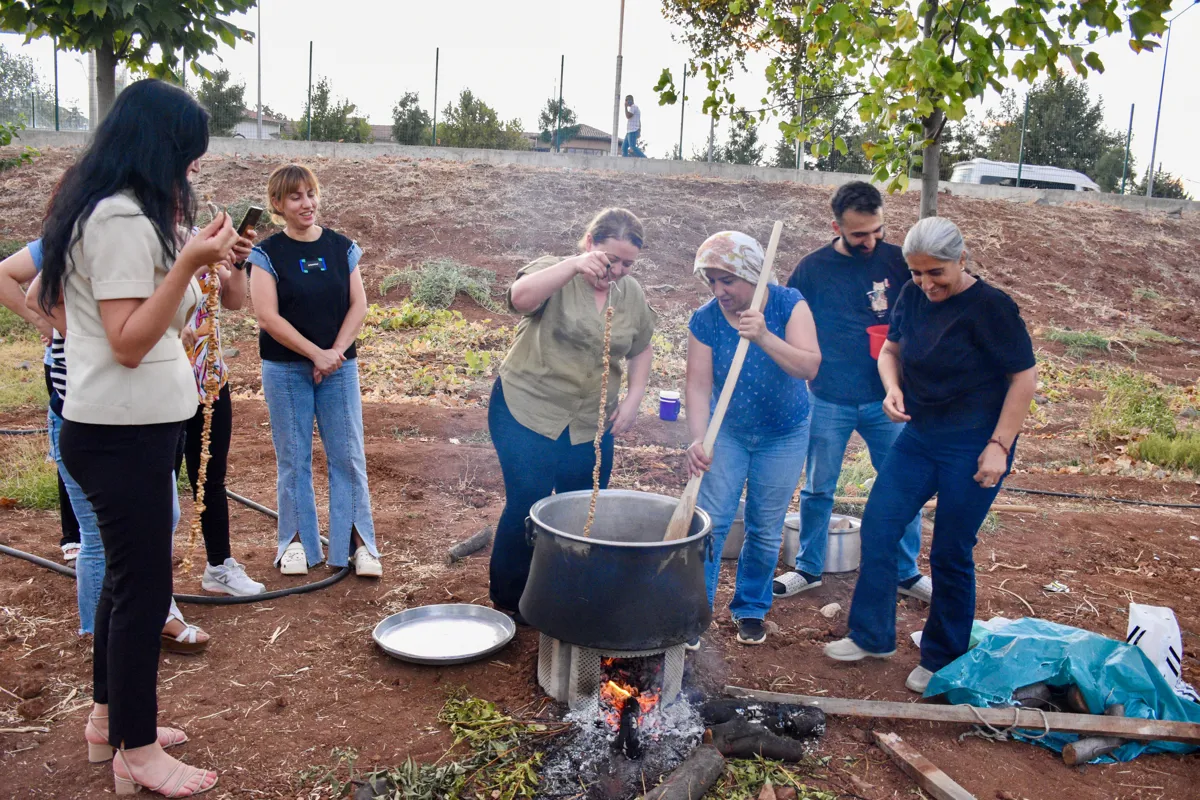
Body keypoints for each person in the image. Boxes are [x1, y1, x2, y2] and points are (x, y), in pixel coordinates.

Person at [39, 78, 238, 796]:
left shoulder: (119, 214)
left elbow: (48, 301)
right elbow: (126, 341)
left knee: (125, 585)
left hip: (132, 430)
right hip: (120, 434)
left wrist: (200, 258)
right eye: (188, 157)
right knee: (145, 590)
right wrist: (185, 265)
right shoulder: (120, 219)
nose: (192, 170)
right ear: (160, 148)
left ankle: (107, 721)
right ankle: (139, 750)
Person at [824, 217, 1036, 694]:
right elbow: (889, 350)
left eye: (936, 273)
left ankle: (943, 656)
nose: (926, 284)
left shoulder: (992, 308)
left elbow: (1024, 379)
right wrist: (892, 390)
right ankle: (872, 636)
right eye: (917, 273)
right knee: (879, 526)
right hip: (921, 436)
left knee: (950, 550)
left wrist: (999, 447)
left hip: (975, 441)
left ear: (962, 259)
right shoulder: (913, 296)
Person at [9, 242, 213, 654]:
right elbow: (34, 297)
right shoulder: (89, 232)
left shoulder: (128, 237)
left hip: (124, 413)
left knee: (161, 516)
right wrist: (71, 333)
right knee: (98, 537)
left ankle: (151, 617)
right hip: (82, 415)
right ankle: (97, 640)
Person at [489, 208, 656, 617]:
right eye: (610, 258)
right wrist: (573, 266)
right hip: (527, 410)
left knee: (582, 510)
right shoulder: (555, 271)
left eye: (627, 264)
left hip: (590, 423)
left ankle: (563, 597)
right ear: (589, 244)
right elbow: (519, 298)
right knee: (526, 503)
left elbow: (642, 346)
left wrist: (634, 398)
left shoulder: (630, 293)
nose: (616, 270)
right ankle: (509, 603)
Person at [775, 181, 931, 602]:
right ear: (837, 226)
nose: (870, 241)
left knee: (902, 484)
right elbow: (786, 319)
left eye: (876, 230)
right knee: (818, 487)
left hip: (888, 399)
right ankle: (809, 567)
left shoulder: (899, 262)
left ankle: (905, 571)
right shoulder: (812, 269)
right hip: (827, 397)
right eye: (859, 233)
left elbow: (929, 307)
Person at [685, 232, 821, 647]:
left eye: (727, 280)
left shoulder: (787, 303)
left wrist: (763, 335)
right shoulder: (705, 319)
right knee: (712, 522)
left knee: (764, 527)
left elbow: (809, 366)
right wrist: (698, 438)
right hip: (727, 431)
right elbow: (696, 385)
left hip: (785, 432)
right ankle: (695, 611)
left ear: (751, 274)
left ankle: (750, 608)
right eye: (711, 280)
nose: (719, 290)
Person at [247, 164, 381, 579]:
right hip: (286, 370)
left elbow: (358, 305)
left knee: (348, 456)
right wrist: (315, 354)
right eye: (295, 197)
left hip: (339, 369)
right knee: (294, 459)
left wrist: (335, 353)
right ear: (277, 205)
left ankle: (358, 544)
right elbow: (267, 316)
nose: (306, 204)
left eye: (310, 194)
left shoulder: (342, 248)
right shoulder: (267, 254)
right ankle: (296, 542)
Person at [179, 213, 265, 596]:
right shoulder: (140, 237)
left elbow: (233, 301)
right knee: (158, 480)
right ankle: (146, 576)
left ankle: (218, 565)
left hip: (210, 375)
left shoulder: (204, 238)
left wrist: (239, 262)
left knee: (211, 477)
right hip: (164, 376)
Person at [0, 242, 81, 563]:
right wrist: (42, 321)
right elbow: (5, 275)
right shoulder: (64, 234)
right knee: (71, 445)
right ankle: (73, 534)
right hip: (67, 364)